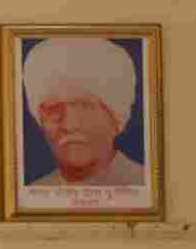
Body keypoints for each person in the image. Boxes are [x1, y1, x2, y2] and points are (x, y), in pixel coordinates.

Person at [18, 37, 147, 191]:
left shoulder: (145, 187)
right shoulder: (33, 195)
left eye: (85, 107)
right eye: (53, 109)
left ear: (117, 118)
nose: (70, 124)